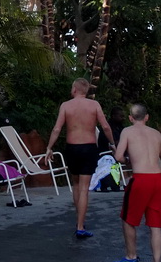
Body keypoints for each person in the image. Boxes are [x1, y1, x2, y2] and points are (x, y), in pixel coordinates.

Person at [45, 78, 114, 238]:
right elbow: (105, 126)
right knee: (84, 188)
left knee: (76, 184)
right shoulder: (94, 105)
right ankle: (81, 226)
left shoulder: (66, 105)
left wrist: (49, 147)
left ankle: (79, 220)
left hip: (72, 148)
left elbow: (57, 128)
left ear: (75, 90)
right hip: (89, 148)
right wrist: (112, 143)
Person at [112, 104, 161, 262]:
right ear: (147, 117)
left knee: (128, 219)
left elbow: (118, 156)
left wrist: (129, 160)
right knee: (155, 224)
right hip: (157, 180)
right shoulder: (157, 134)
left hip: (140, 179)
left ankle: (131, 255)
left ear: (130, 118)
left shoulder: (127, 132)